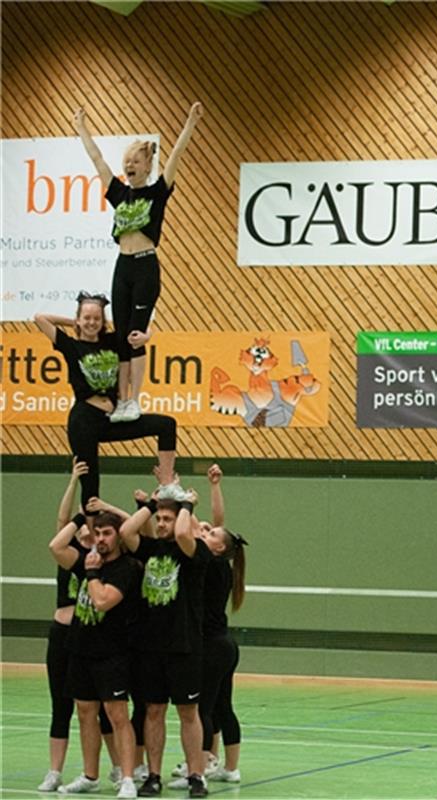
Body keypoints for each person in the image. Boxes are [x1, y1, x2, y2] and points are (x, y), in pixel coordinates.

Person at [73, 102, 203, 422]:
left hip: (146, 265)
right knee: (120, 337)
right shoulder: (119, 193)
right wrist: (81, 128)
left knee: (135, 335)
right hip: (123, 266)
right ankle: (121, 400)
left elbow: (175, 157)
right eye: (127, 161)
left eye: (136, 161)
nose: (129, 165)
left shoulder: (157, 192)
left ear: (147, 166)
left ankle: (136, 400)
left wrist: (189, 123)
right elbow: (97, 160)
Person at [33, 293, 185, 511]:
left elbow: (143, 328)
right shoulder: (71, 346)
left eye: (96, 319)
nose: (92, 323)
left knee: (166, 424)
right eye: (87, 318)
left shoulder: (112, 341)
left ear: (103, 322)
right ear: (79, 319)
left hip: (114, 417)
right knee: (91, 486)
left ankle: (167, 483)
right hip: (84, 422)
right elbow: (40, 318)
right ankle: (93, 537)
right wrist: (73, 322)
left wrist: (147, 337)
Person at [119, 490, 212, 798]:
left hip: (183, 645)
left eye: (166, 519)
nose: (161, 524)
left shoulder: (195, 552)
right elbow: (126, 531)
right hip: (150, 646)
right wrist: (149, 505)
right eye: (158, 519)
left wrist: (186, 503)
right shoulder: (149, 549)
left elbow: (185, 532)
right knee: (153, 710)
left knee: (188, 712)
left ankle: (196, 774)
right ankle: (154, 774)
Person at [39, 461, 122, 793]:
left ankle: (117, 767)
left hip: (91, 634)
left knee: (101, 708)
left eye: (97, 528)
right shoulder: (69, 552)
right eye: (88, 527)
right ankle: (55, 771)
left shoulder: (102, 559)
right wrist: (74, 482)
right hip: (62, 633)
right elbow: (61, 525)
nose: (91, 531)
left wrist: (98, 512)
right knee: (61, 706)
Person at [49, 510, 143, 799]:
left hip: (112, 653)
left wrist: (91, 573)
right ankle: (90, 775)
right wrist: (80, 518)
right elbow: (56, 547)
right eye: (97, 533)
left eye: (107, 534)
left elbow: (102, 601)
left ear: (118, 536)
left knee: (116, 715)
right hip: (81, 649)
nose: (101, 539)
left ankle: (127, 777)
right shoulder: (89, 559)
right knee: (85, 713)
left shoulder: (126, 568)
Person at [169, 464, 247, 787]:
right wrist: (215, 486)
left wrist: (182, 500)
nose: (208, 530)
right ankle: (228, 767)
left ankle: (199, 767)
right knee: (222, 705)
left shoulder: (210, 563)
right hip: (225, 645)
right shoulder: (222, 563)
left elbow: (206, 528)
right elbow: (220, 525)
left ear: (217, 547)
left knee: (202, 707)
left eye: (211, 534)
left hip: (212, 646)